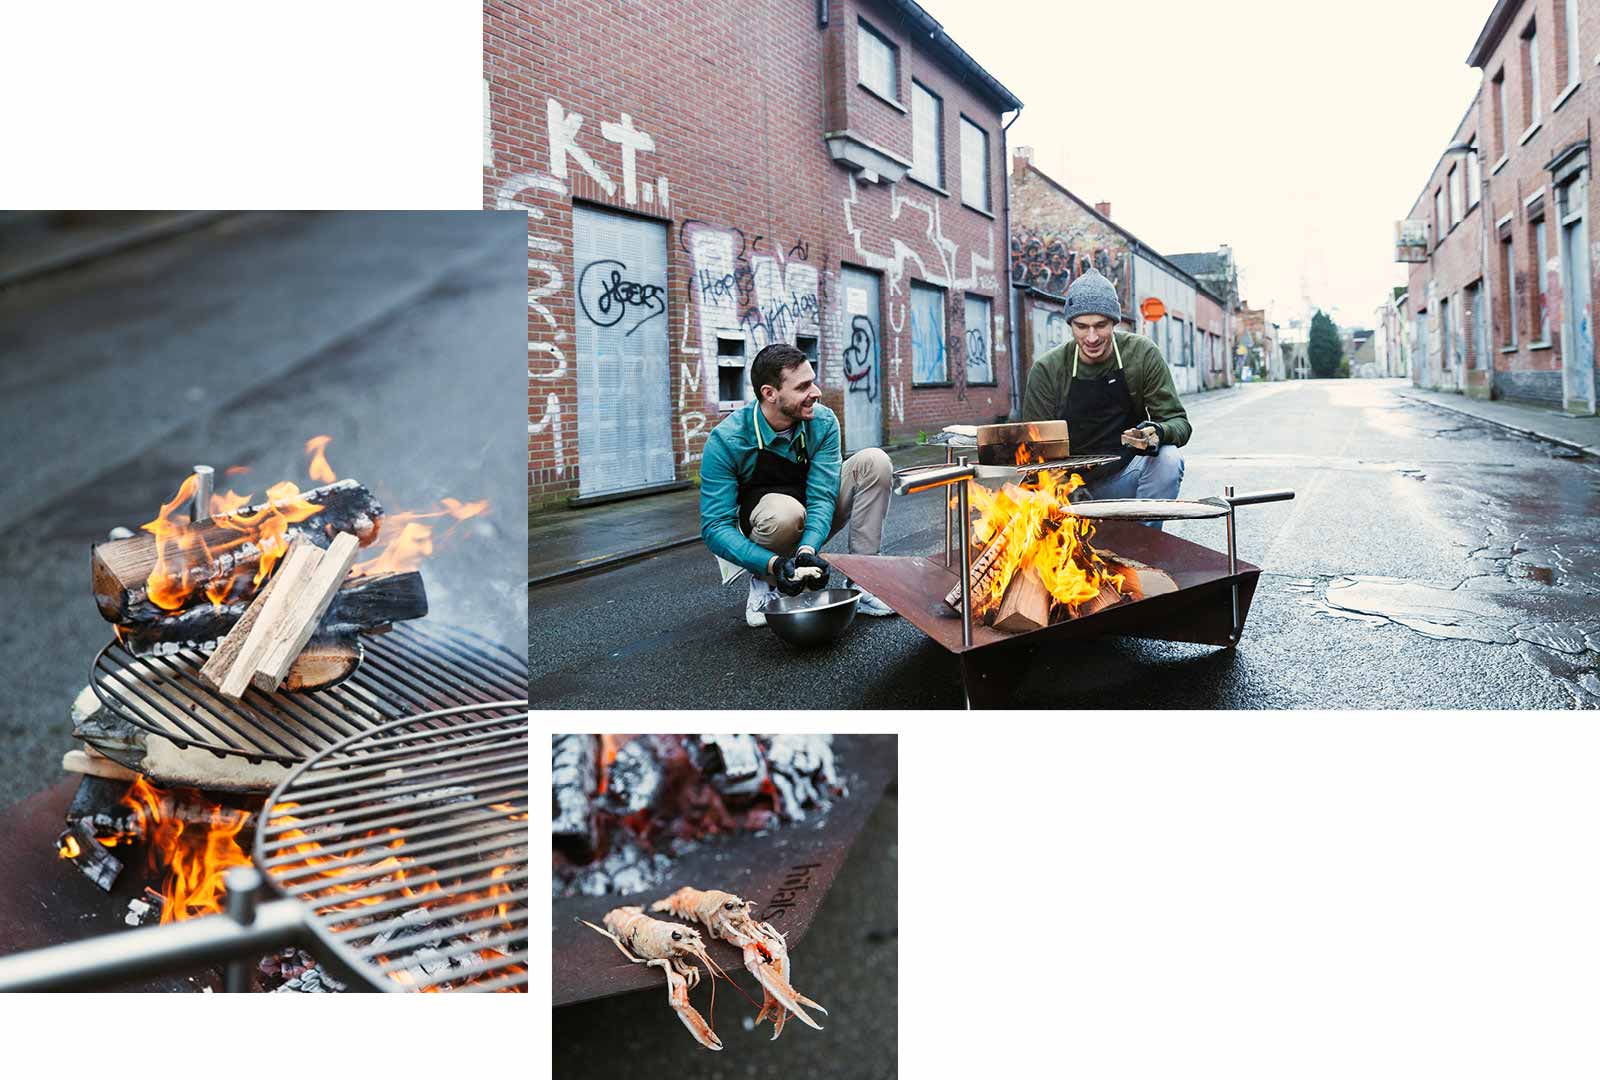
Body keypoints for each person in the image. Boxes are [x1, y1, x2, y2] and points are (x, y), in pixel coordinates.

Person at [700, 342, 896, 626]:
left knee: (874, 461)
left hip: (809, 512)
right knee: (785, 512)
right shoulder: (726, 440)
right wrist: (773, 564)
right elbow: (715, 526)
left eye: (813, 382)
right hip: (768, 524)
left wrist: (807, 551)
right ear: (770, 394)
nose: (815, 393)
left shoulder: (822, 421)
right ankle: (765, 585)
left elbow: (822, 496)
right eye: (803, 387)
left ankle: (863, 580)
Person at [1021, 270, 1190, 523]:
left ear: (1114, 322)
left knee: (1168, 460)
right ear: (1071, 325)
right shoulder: (1048, 369)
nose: (1091, 337)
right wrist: (1059, 491)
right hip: (1067, 490)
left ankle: (1144, 548)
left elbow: (1179, 423)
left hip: (1124, 477)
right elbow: (1033, 452)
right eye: (1082, 326)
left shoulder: (1141, 354)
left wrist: (1156, 432)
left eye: (1100, 325)